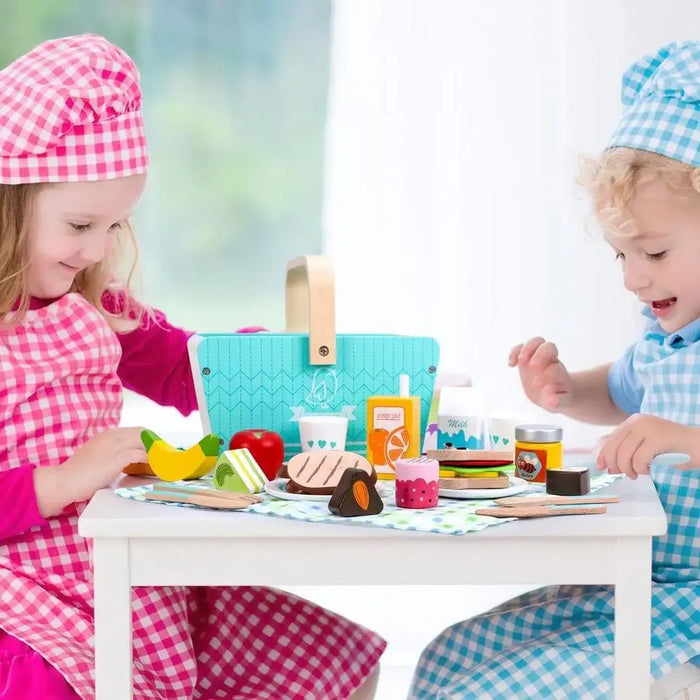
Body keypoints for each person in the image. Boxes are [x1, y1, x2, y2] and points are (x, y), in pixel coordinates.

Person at [0, 34, 385, 699]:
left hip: (131, 577)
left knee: (334, 666)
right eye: (81, 224)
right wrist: (61, 480)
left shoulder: (99, 307)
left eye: (116, 227)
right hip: (25, 599)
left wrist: (261, 359)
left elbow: (188, 368)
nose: (97, 250)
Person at [409, 41, 700, 700]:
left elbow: (667, 428)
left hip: (692, 613)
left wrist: (685, 441)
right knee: (445, 663)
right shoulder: (668, 339)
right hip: (641, 582)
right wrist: (567, 390)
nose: (633, 277)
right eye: (619, 257)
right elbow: (620, 392)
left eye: (652, 251)